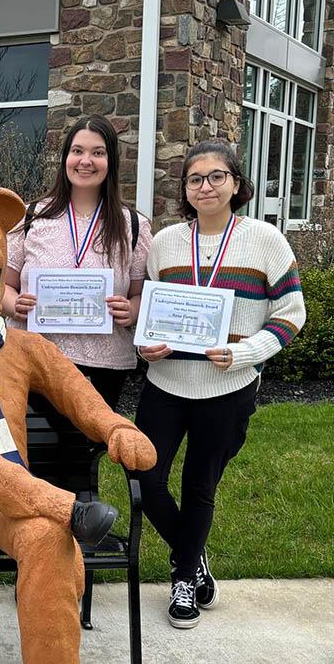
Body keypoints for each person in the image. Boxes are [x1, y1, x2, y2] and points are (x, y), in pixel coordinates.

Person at [135, 140, 305, 629]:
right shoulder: (165, 243)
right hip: (166, 382)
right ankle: (194, 553)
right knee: (145, 478)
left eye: (215, 177)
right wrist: (146, 346)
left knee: (199, 487)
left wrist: (246, 352)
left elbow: (292, 313)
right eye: (195, 179)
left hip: (227, 386)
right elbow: (153, 315)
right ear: (184, 189)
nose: (204, 186)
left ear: (236, 183)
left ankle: (184, 580)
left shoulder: (266, 240)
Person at [1, 114, 151, 412]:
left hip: (105, 364)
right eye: (77, 151)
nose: (86, 161)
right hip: (33, 357)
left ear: (111, 162)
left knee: (85, 452)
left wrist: (131, 310)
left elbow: (139, 294)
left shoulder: (133, 225)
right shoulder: (31, 217)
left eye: (98, 152)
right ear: (65, 157)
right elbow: (4, 286)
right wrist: (13, 305)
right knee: (34, 448)